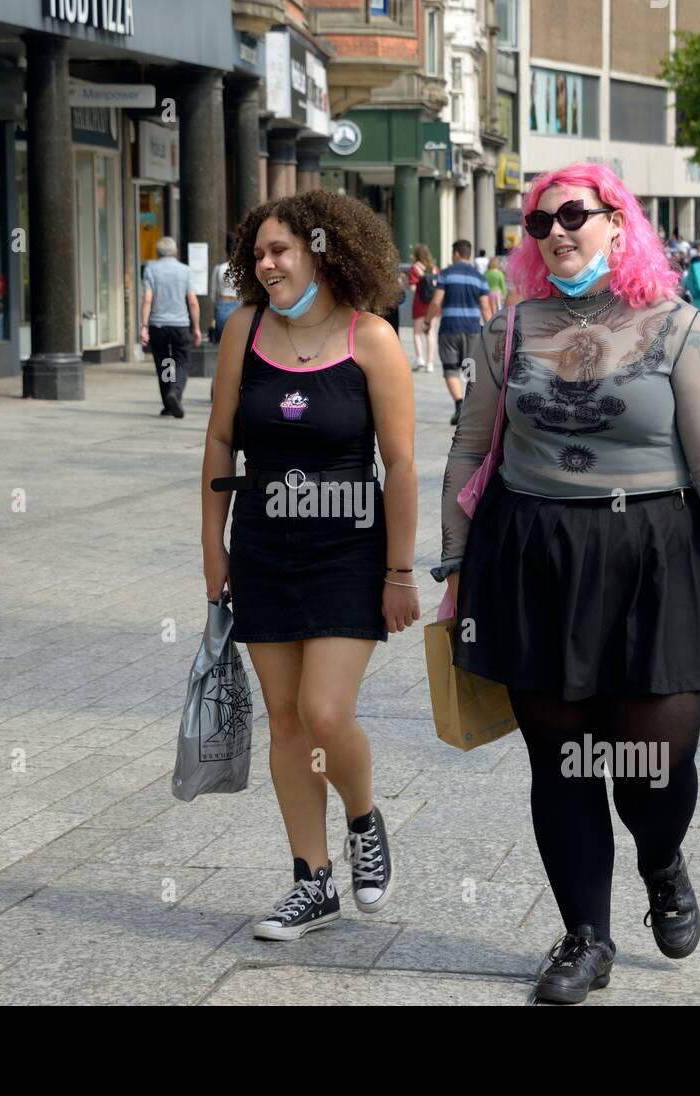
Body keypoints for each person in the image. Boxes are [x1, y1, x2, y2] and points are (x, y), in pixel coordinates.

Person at [434, 162, 700, 1005]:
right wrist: (452, 565)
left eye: (574, 214)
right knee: (561, 762)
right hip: (533, 558)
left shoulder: (677, 326)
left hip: (656, 559)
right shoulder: (508, 329)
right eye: (538, 221)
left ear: (618, 225)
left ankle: (661, 859)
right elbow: (470, 451)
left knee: (656, 764)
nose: (555, 230)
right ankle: (585, 938)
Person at [201, 190, 419, 942]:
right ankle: (311, 882)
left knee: (327, 713)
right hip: (263, 550)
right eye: (257, 253)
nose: (264, 265)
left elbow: (401, 464)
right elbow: (220, 443)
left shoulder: (373, 340)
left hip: (347, 553)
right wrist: (214, 549)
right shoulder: (243, 331)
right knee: (288, 720)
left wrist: (399, 573)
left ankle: (363, 817)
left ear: (324, 251)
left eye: (279, 251)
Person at [425, 240, 494, 426]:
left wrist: (427, 321)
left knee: (450, 368)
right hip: (472, 330)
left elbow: (436, 302)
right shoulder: (479, 278)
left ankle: (459, 404)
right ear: (468, 254)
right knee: (470, 369)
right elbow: (486, 308)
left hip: (449, 328)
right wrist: (491, 331)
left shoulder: (446, 274)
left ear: (456, 254)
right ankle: (473, 406)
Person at [141, 236, 202, 418]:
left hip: (158, 325)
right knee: (181, 361)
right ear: (175, 251)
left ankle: (168, 400)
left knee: (165, 362)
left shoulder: (151, 269)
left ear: (158, 253)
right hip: (180, 324)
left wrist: (143, 326)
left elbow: (147, 298)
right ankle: (174, 392)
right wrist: (197, 327)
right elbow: (192, 301)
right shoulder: (185, 271)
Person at [408, 243, 439, 372]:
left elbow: (413, 288)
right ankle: (430, 364)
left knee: (417, 333)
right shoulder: (435, 268)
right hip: (433, 305)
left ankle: (420, 358)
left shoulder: (414, 268)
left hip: (420, 304)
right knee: (430, 333)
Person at [209, 234, 239, 344]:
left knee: (224, 342)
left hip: (223, 305)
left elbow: (213, 294)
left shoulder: (219, 268)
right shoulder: (244, 270)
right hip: (240, 305)